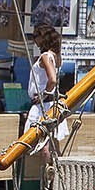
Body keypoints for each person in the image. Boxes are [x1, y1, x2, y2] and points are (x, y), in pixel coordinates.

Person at [26, 21, 62, 162]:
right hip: (51, 104)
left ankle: (48, 172)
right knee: (51, 144)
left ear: (42, 37)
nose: (34, 40)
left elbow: (52, 79)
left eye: (35, 36)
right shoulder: (55, 56)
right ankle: (55, 171)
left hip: (43, 105)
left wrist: (43, 94)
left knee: (43, 146)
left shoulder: (46, 56)